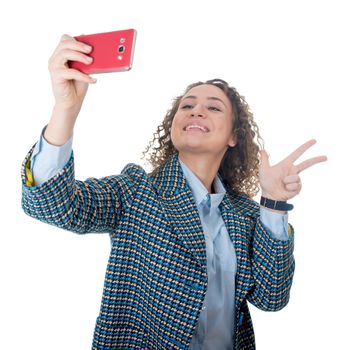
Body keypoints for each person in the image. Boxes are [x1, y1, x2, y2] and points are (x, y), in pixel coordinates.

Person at [21, 34, 327, 350]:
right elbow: (51, 205)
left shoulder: (247, 215)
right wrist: (66, 110)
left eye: (213, 107)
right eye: (188, 106)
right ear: (173, 126)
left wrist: (273, 204)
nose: (196, 112)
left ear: (234, 136)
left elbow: (272, 297)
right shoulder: (135, 190)